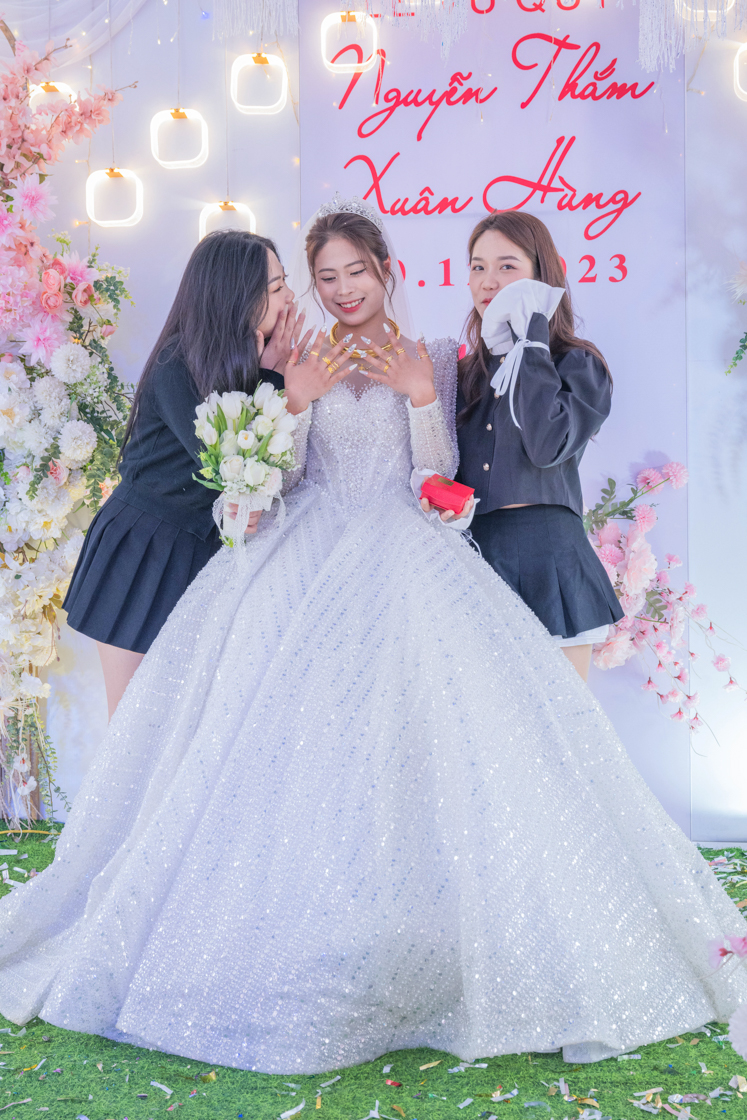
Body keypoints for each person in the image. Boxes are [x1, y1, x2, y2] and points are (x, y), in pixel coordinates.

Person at [0, 196, 745, 1075]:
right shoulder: (299, 355)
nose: (343, 288)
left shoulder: (435, 355)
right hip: (304, 551)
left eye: (357, 271)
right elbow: (279, 474)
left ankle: (415, 922)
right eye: (325, 278)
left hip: (405, 551)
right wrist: (296, 399)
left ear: (386, 272)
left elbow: (437, 470)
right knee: (284, 739)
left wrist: (421, 394)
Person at [63, 229, 312, 718]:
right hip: (142, 551)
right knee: (133, 722)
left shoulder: (244, 357)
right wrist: (275, 377)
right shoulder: (178, 364)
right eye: (277, 286)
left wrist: (271, 370)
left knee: (184, 726)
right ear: (238, 295)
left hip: (194, 552)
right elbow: (232, 469)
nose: (289, 297)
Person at [454, 212, 623, 681]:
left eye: (507, 266)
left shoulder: (579, 365)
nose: (488, 281)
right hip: (474, 560)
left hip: (551, 562)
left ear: (542, 276)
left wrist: (531, 342)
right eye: (478, 267)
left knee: (563, 720)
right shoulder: (464, 374)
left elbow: (547, 445)